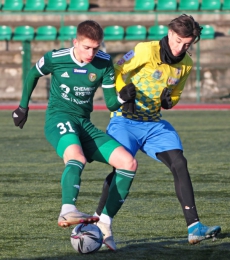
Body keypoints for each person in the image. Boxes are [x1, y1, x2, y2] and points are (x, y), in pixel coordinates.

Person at [94, 14, 221, 249]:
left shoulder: (186, 64)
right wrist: (123, 93)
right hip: (124, 120)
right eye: (179, 41)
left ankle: (194, 228)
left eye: (187, 44)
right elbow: (114, 71)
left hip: (153, 123)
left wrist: (169, 101)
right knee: (123, 167)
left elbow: (174, 96)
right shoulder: (145, 50)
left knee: (179, 162)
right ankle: (102, 223)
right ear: (170, 34)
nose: (181, 48)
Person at [12, 20, 138, 251]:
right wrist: (23, 107)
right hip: (58, 119)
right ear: (75, 42)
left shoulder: (104, 62)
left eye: (96, 47)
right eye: (86, 47)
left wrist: (123, 97)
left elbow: (110, 104)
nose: (91, 53)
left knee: (128, 162)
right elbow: (32, 74)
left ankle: (104, 224)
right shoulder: (56, 58)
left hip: (84, 124)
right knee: (76, 157)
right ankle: (67, 210)